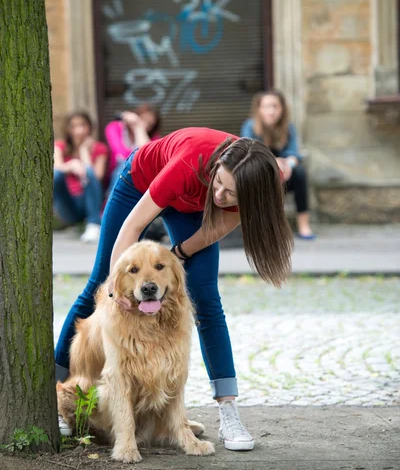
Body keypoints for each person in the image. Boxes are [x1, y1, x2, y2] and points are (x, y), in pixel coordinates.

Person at [55, 128, 293, 450]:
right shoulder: (188, 163)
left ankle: (229, 412)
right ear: (216, 166)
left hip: (194, 207)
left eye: (231, 194)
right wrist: (115, 290)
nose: (221, 195)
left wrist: (178, 255)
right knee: (98, 283)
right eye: (219, 183)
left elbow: (215, 226)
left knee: (207, 298)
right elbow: (134, 226)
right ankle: (51, 394)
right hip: (141, 183)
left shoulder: (261, 181)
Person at [241, 89, 315, 239]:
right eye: (267, 106)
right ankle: (262, 227)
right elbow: (249, 152)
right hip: (261, 175)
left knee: (300, 173)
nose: (271, 111)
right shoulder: (250, 126)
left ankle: (303, 225)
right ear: (259, 109)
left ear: (282, 109)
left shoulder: (288, 127)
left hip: (284, 176)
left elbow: (294, 153)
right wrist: (274, 163)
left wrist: (289, 165)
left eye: (275, 106)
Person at [54, 111, 108, 243]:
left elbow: (97, 176)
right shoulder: (60, 146)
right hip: (69, 203)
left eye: (83, 125)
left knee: (89, 171)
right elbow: (56, 168)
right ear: (68, 129)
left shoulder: (100, 148)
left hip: (89, 200)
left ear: (89, 127)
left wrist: (84, 151)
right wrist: (72, 165)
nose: (79, 130)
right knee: (56, 175)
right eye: (74, 126)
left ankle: (94, 224)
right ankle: (82, 223)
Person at [105, 104, 161, 189]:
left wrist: (139, 128)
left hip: (140, 176)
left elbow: (146, 157)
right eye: (143, 120)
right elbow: (121, 155)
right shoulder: (115, 127)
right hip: (116, 174)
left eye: (150, 124)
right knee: (124, 165)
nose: (145, 125)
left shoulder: (153, 138)